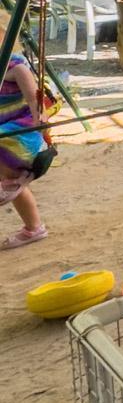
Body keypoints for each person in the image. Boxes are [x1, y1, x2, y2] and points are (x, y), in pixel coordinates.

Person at [0, 22, 50, 249]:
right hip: (5, 129)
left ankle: (12, 183)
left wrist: (41, 123)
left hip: (22, 129)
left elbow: (33, 99)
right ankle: (33, 228)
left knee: (7, 168)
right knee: (13, 183)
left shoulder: (17, 67)